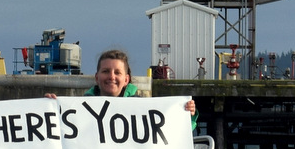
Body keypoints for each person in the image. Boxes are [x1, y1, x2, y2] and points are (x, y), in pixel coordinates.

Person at [50, 49, 199, 130]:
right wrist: (49, 109)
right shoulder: (79, 107)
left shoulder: (142, 107)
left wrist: (187, 115)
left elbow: (174, 133)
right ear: (97, 77)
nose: (111, 76)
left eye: (117, 72)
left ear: (126, 79)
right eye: (105, 71)